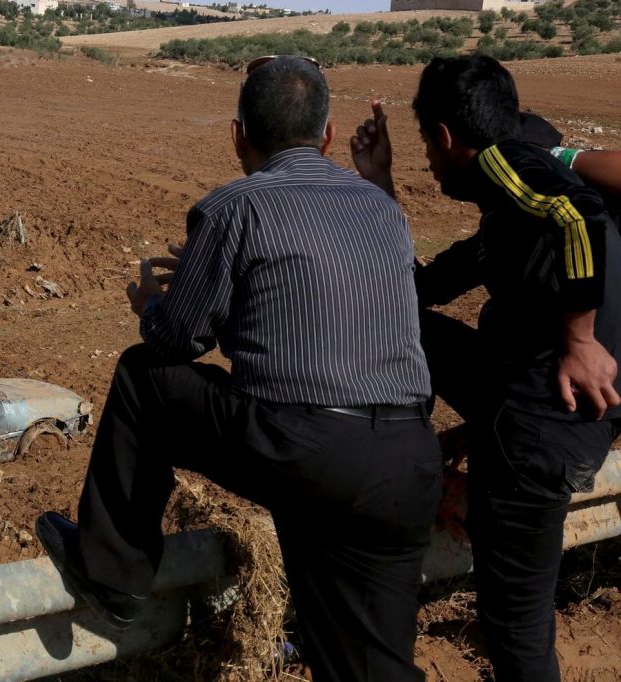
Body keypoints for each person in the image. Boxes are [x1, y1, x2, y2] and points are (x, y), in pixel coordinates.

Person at [35, 56, 442, 681]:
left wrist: (154, 306)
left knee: (142, 375)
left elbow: (177, 342)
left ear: (237, 135)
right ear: (328, 136)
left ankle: (112, 573)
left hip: (305, 451)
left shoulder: (235, 208)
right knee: (369, 669)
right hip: (407, 460)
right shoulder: (383, 211)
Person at [350, 55, 621, 682]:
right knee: (400, 318)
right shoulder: (508, 221)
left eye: (424, 144)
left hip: (542, 435)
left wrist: (578, 337)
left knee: (513, 627)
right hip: (544, 411)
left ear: (445, 136)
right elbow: (411, 292)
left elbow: (576, 212)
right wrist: (380, 184)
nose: (428, 158)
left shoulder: (506, 165)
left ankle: (417, 474)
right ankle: (424, 466)